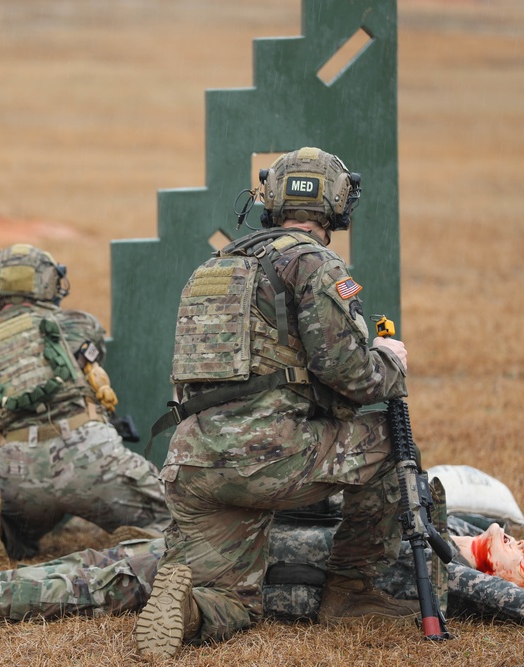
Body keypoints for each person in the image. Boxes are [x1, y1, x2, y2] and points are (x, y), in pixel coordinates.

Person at [134, 147, 416, 657]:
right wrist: (390, 360)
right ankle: (351, 592)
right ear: (335, 201)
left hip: (192, 463)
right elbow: (350, 374)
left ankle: (188, 608)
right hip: (270, 458)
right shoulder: (314, 262)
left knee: (234, 600)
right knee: (392, 445)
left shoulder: (215, 267)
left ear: (272, 197)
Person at [0, 514, 524, 630]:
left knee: (99, 581)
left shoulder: (436, 576)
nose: (508, 538)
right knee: (103, 568)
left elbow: (508, 601)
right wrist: (479, 540)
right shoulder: (437, 536)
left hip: (245, 565)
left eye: (516, 552)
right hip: (242, 546)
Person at [0, 243, 170, 560]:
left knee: (19, 532)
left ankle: (1, 529)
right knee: (173, 515)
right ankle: (147, 533)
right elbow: (95, 349)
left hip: (17, 469)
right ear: (49, 282)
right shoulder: (78, 325)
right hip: (89, 456)